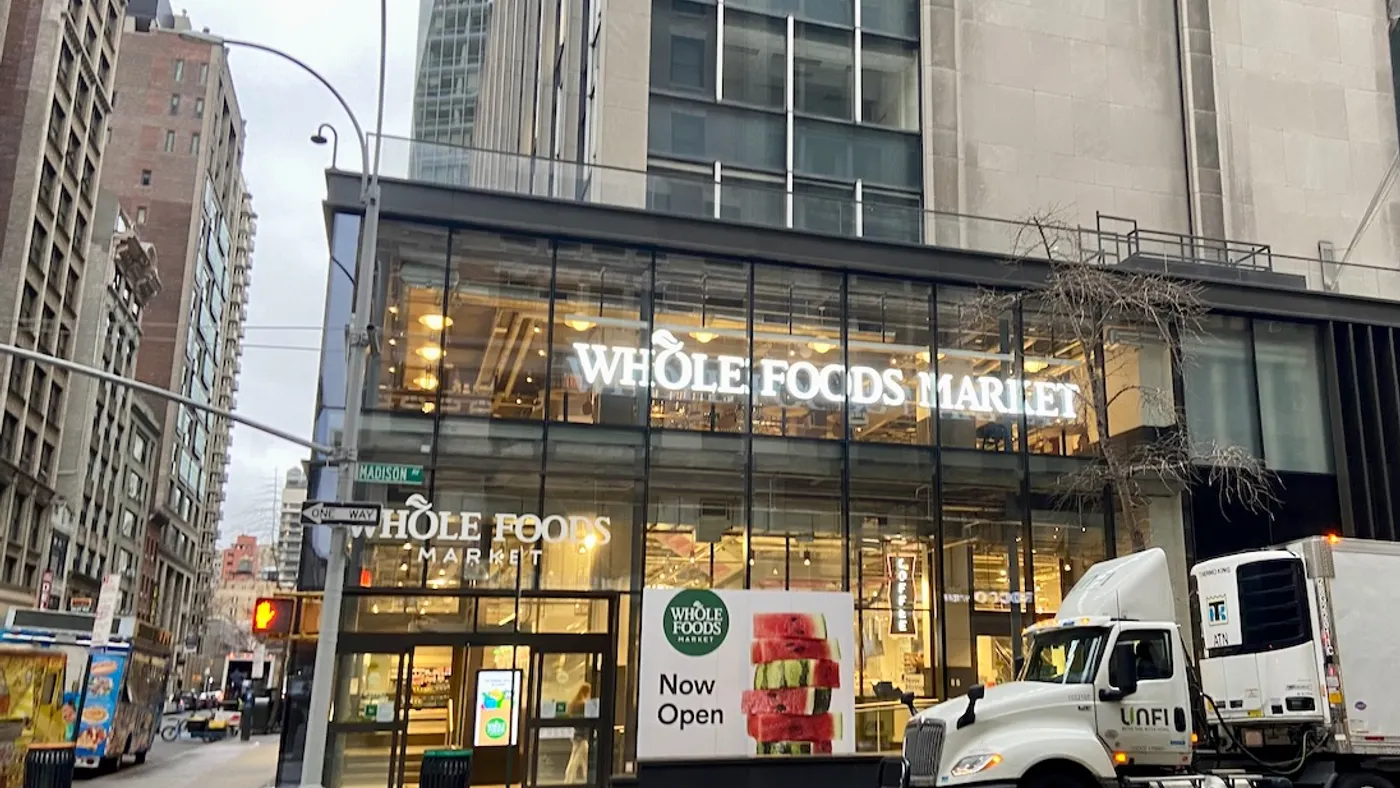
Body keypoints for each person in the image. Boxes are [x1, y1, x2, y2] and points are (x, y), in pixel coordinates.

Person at [564, 683, 592, 783]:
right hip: (583, 736)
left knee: (579, 758)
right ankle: (570, 780)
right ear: (587, 693)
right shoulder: (583, 705)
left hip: (576, 735)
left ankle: (575, 779)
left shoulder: (574, 704)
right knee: (577, 760)